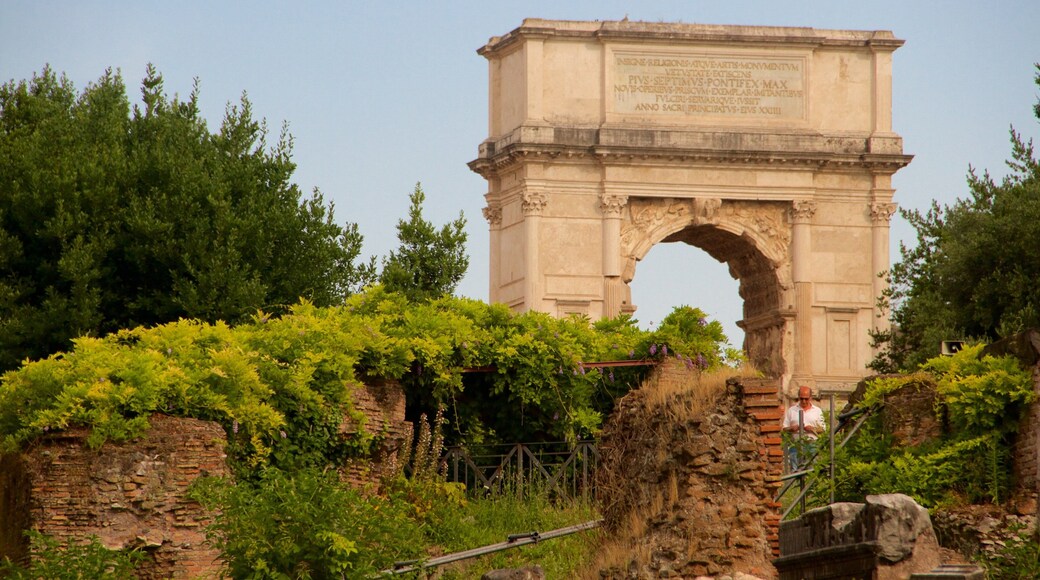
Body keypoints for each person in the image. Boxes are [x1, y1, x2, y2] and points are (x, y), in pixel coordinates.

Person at [782, 385, 825, 472]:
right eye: (801, 399)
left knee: (812, 470)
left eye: (806, 399)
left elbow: (823, 429)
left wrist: (812, 429)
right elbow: (784, 428)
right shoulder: (792, 410)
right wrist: (792, 428)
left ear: (810, 398)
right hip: (796, 444)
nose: (804, 401)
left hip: (812, 444)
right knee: (795, 471)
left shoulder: (817, 411)